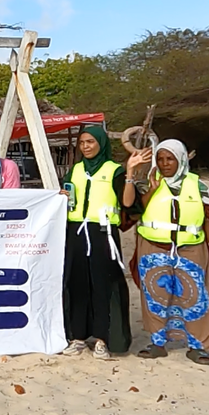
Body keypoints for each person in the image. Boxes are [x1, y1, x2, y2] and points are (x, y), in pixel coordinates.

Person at [132, 139, 209, 365]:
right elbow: (135, 213)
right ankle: (157, 343)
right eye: (160, 159)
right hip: (153, 248)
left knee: (196, 297)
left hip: (191, 248)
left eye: (170, 159)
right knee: (155, 296)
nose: (165, 164)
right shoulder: (148, 184)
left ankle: (197, 346)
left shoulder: (198, 186)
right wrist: (152, 190)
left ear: (182, 160)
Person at [60, 127, 148, 359]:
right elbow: (67, 197)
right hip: (76, 233)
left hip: (103, 234)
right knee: (77, 284)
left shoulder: (114, 170)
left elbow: (127, 203)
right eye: (82, 143)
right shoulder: (75, 170)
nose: (86, 146)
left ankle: (103, 338)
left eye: (90, 142)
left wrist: (130, 172)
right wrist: (62, 196)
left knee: (104, 285)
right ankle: (78, 336)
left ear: (100, 143)